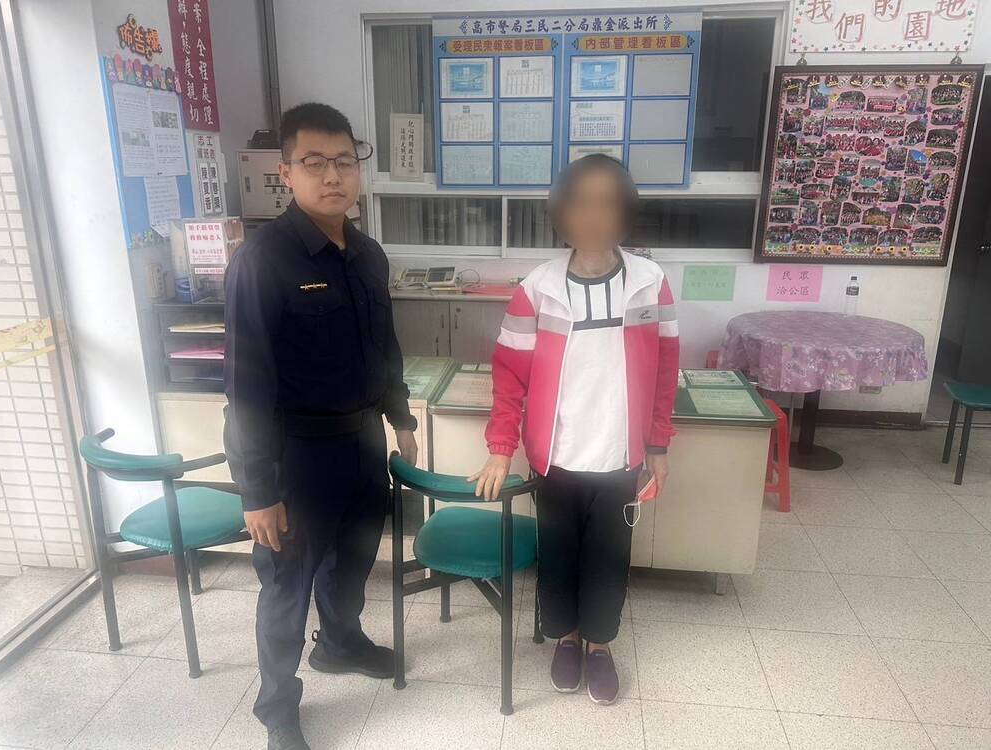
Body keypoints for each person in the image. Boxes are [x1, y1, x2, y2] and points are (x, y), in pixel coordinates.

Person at [224, 103, 418, 750]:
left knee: (354, 560)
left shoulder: (368, 255)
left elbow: (385, 348)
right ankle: (278, 708)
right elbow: (245, 387)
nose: (333, 175)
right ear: (286, 172)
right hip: (297, 455)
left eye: (343, 161)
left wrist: (400, 417)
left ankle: (340, 643)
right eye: (314, 162)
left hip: (362, 443)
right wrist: (257, 489)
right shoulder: (263, 260)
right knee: (287, 587)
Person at [469, 155, 679, 705]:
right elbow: (509, 375)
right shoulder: (538, 288)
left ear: (626, 212)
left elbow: (665, 372)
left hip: (619, 458)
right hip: (556, 459)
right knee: (559, 555)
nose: (594, 215)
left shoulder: (650, 284)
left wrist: (657, 444)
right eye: (582, 203)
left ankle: (600, 645)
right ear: (561, 212)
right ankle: (565, 637)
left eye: (608, 203)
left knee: (608, 558)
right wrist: (500, 448)